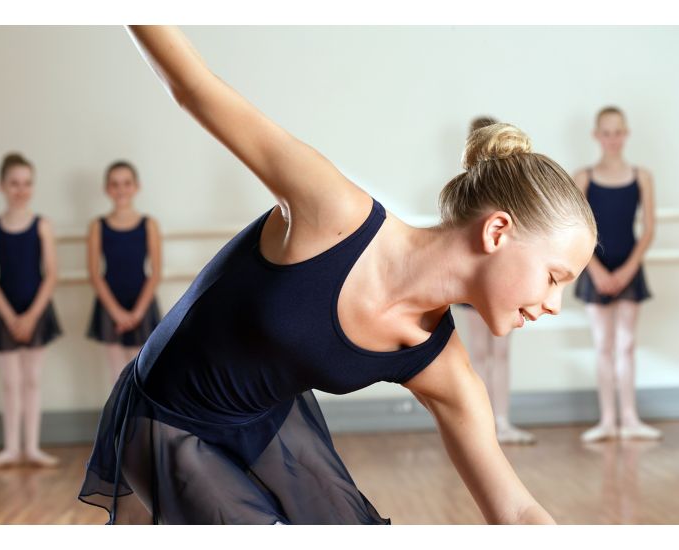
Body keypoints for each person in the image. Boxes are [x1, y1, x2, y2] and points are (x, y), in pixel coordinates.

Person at [78, 26, 596, 524]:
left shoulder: (443, 368)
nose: (554, 303)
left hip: (265, 425)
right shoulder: (335, 213)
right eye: (555, 276)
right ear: (497, 232)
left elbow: (516, 510)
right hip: (167, 417)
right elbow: (194, 86)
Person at [573, 106, 660, 443]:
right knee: (603, 346)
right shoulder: (584, 177)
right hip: (595, 268)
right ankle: (607, 420)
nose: (612, 139)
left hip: (629, 267)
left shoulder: (642, 176)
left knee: (626, 345)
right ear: (597, 136)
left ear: (626, 134)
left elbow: (649, 229)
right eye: (606, 132)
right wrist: (595, 270)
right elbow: (578, 230)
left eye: (618, 132)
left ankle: (630, 418)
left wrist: (628, 270)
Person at [0, 153, 62, 468]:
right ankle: (10, 447)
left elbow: (51, 273)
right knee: (9, 381)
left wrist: (30, 316)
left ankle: (32, 447)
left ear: (33, 186)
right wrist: (11, 316)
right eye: (14, 183)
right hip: (4, 313)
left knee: (32, 379)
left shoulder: (43, 225)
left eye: (26, 183)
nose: (21, 189)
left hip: (36, 310)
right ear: (2, 186)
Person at [458, 116, 536, 445]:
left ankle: (502, 421)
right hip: (475, 281)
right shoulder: (464, 189)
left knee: (500, 352)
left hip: (503, 281)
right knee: (478, 353)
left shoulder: (511, 190)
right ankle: (483, 424)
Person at [86, 161, 162, 384]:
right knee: (117, 376)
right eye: (115, 184)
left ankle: (138, 420)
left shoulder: (149, 224)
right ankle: (118, 420)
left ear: (136, 187)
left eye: (126, 183)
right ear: (107, 189)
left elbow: (155, 272)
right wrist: (117, 313)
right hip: (110, 304)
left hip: (141, 302)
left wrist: (137, 313)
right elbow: (94, 273)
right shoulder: (97, 226)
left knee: (141, 375)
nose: (121, 189)